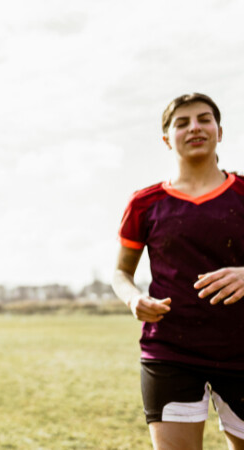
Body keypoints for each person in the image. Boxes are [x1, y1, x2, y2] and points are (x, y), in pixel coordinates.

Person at [112, 93, 244, 450]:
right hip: (170, 351)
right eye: (182, 123)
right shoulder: (145, 203)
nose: (195, 128)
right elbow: (121, 274)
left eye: (204, 119)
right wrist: (133, 298)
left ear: (220, 130)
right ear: (167, 138)